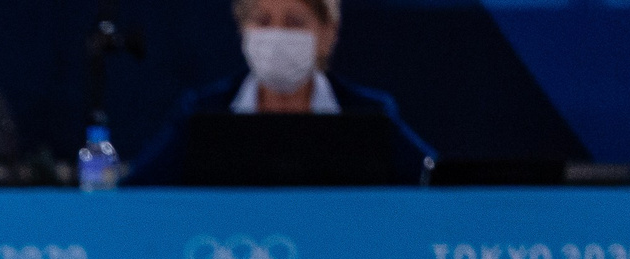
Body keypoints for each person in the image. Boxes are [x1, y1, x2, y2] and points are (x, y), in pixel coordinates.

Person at [125, 0, 431, 187]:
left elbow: (438, 185)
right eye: (263, 21)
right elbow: (137, 192)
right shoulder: (203, 113)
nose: (277, 35)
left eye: (294, 22)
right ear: (242, 29)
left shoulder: (369, 114)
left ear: (328, 33)